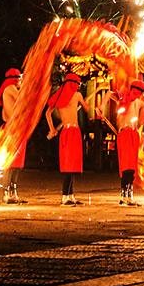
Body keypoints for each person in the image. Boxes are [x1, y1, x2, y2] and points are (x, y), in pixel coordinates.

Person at [46, 73, 87, 206]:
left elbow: (48, 113)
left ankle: (70, 195)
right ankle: (65, 196)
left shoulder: (59, 95)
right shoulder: (77, 95)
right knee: (69, 164)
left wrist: (52, 128)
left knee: (73, 163)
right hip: (71, 131)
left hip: (69, 131)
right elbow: (87, 109)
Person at [0, 68, 25, 204]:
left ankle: (13, 191)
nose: (21, 80)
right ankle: (6, 192)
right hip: (12, 129)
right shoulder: (10, 88)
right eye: (20, 78)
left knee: (17, 163)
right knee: (10, 162)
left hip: (18, 128)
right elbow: (23, 100)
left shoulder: (13, 89)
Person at [114, 79, 144, 206]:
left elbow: (140, 123)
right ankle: (124, 196)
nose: (137, 94)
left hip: (133, 134)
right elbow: (111, 95)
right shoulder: (122, 99)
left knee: (132, 167)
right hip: (124, 133)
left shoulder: (141, 104)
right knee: (126, 166)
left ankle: (129, 195)